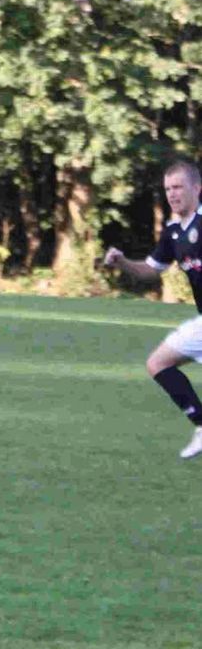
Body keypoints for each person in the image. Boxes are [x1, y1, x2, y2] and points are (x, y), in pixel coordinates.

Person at [103, 160, 202, 459]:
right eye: (168, 189)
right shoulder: (173, 231)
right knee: (158, 363)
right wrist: (121, 262)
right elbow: (150, 271)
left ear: (197, 188)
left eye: (178, 187)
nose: (172, 194)